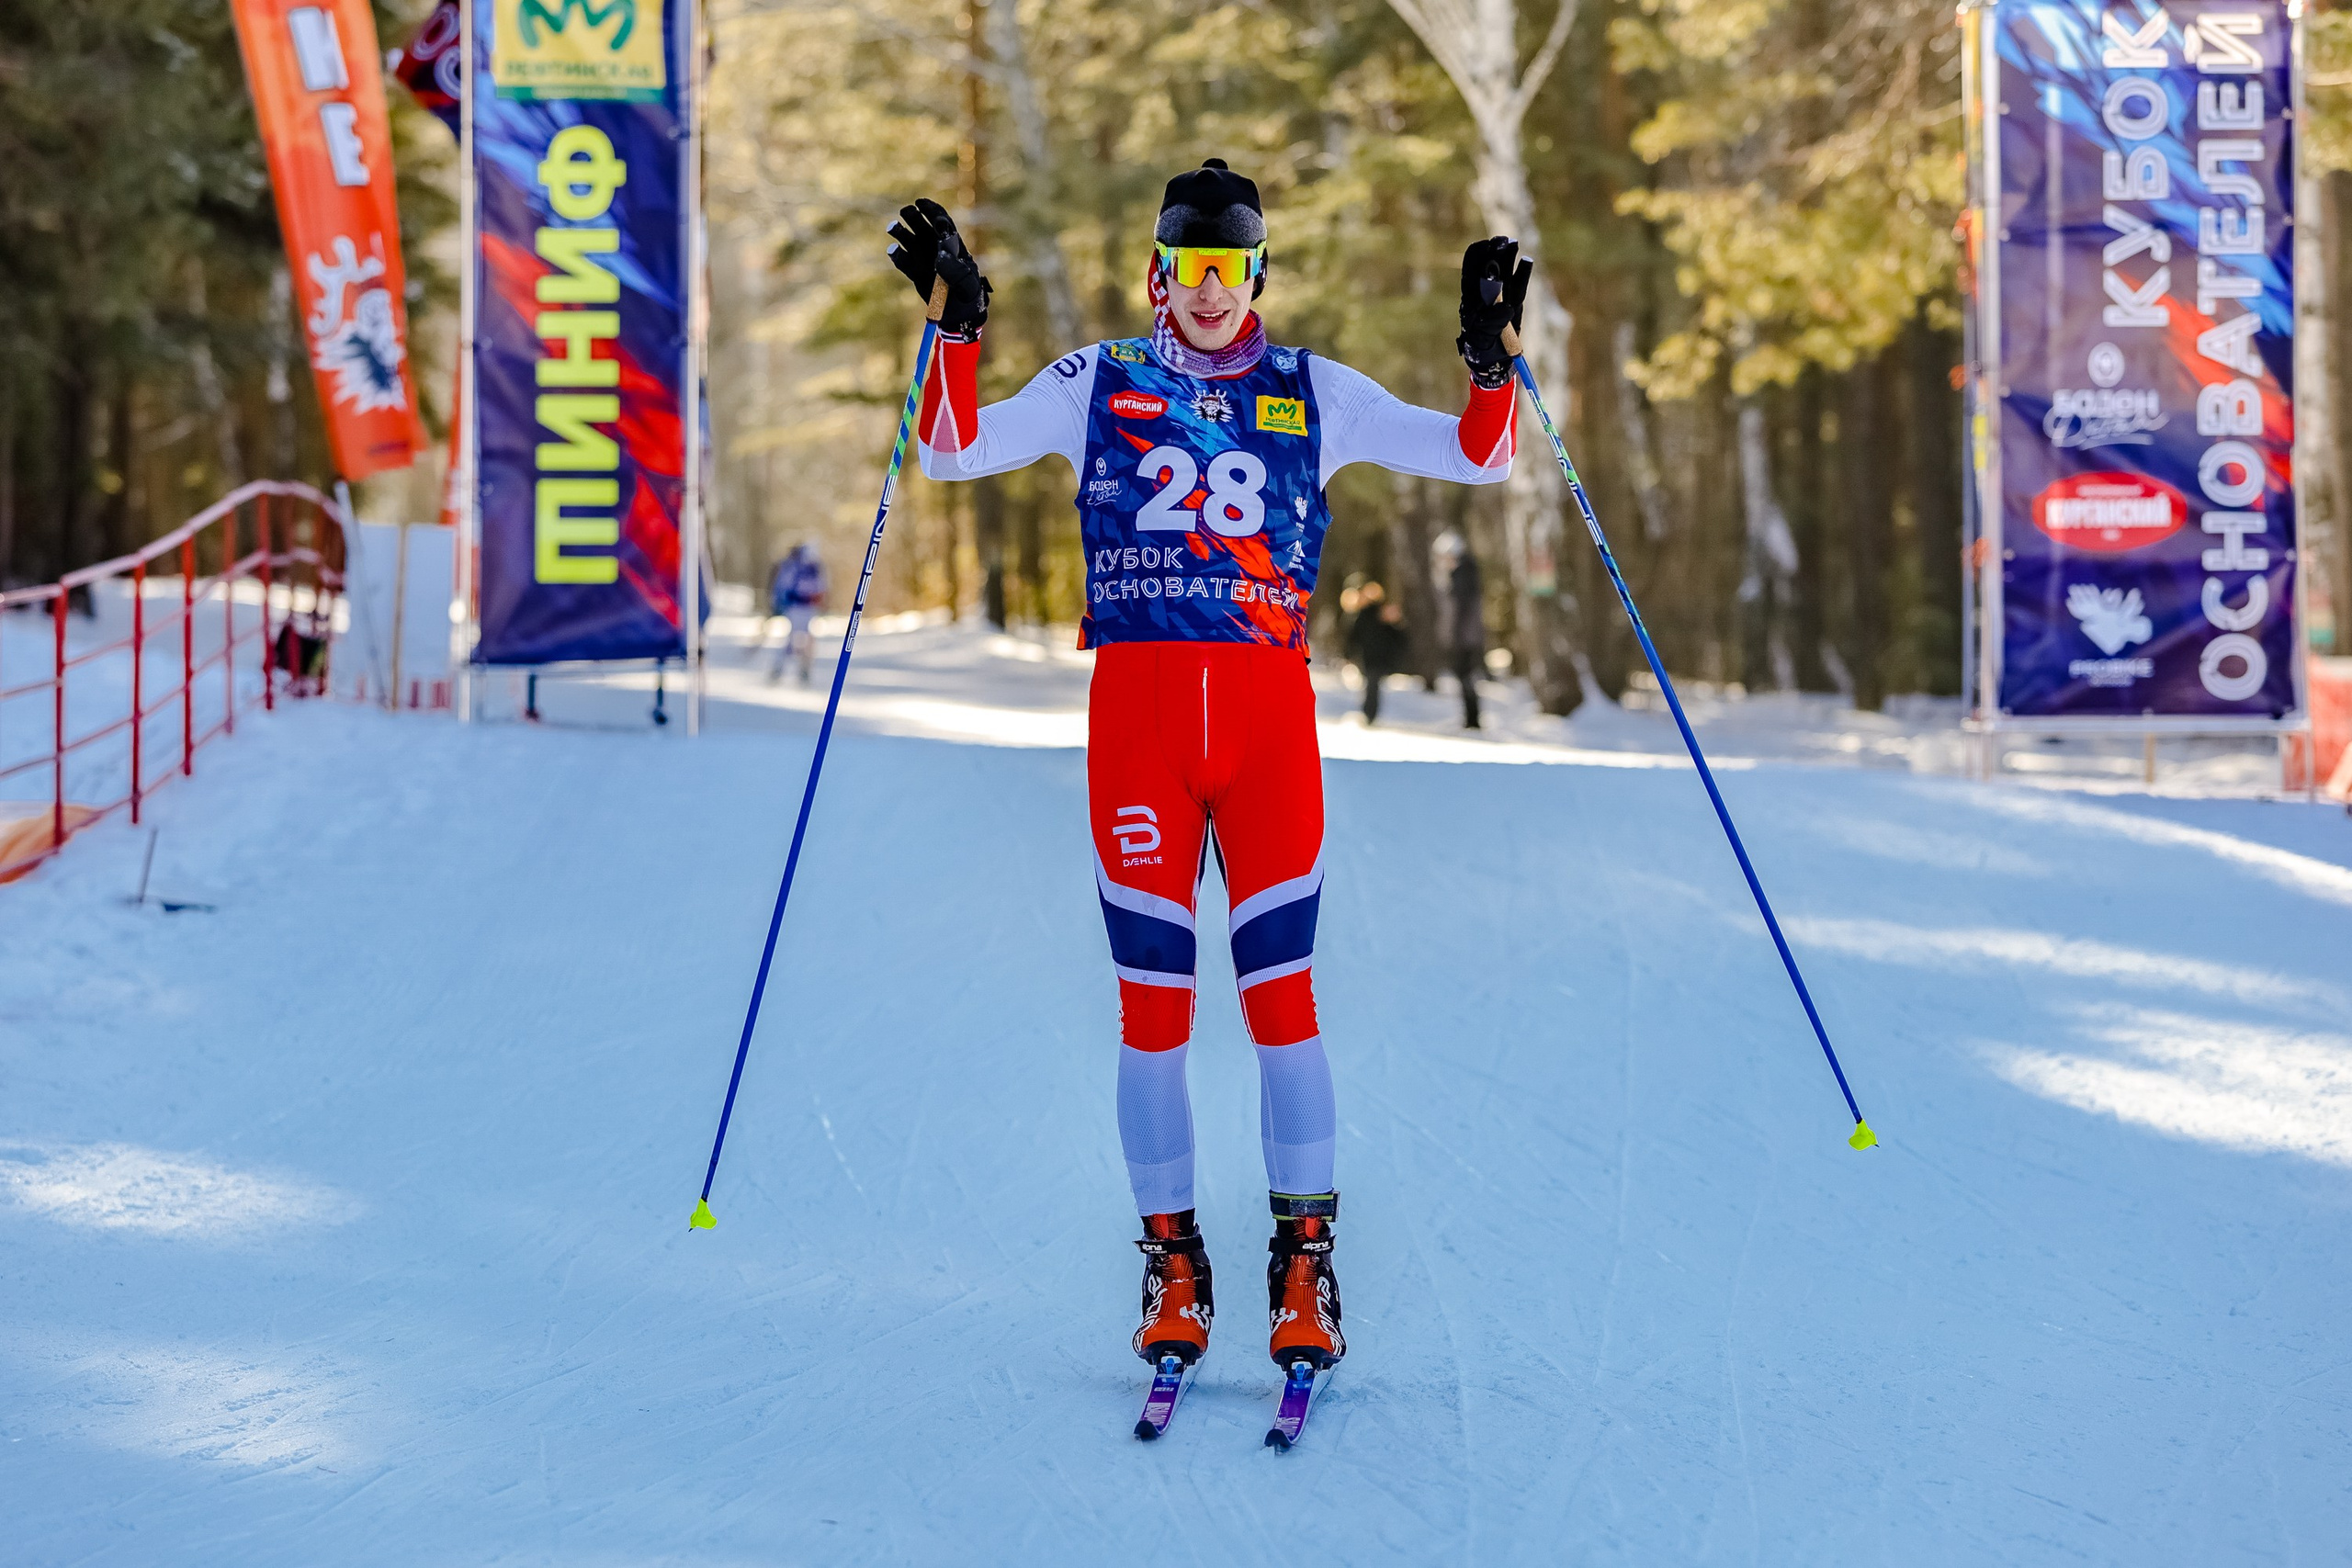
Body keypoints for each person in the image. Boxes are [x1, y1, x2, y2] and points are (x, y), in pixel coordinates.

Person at [890, 161, 1525, 1383]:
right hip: (1138, 728)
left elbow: (1479, 459)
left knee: (1280, 995)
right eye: (1189, 268)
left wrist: (1490, 361)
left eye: (1231, 270)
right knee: (1155, 1011)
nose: (1210, 293)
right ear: (1157, 273)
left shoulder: (1313, 390)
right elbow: (952, 453)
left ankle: (1304, 1262)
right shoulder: (1096, 382)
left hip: (1265, 724)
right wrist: (957, 333)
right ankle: (1173, 1258)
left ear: (1259, 275)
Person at [1432, 529, 1487, 730]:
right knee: (1465, 677)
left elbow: (1458, 609)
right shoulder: (1463, 573)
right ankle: (1471, 718)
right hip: (1466, 635)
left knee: (1467, 676)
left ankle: (1472, 719)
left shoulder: (1462, 575)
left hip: (1465, 636)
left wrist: (1452, 634)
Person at [1342, 580, 1408, 725]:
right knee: (1372, 684)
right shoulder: (1374, 614)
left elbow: (1354, 636)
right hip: (1375, 655)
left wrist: (1348, 653)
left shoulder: (1379, 614)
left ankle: (1369, 713)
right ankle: (1369, 712)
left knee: (1372, 683)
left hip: (1374, 655)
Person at [765, 542, 828, 684]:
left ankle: (804, 670)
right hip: (794, 607)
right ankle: (779, 668)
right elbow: (782, 585)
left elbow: (822, 586)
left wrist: (822, 601)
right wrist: (778, 602)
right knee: (792, 639)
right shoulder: (792, 566)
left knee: (808, 640)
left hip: (809, 608)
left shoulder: (815, 569)